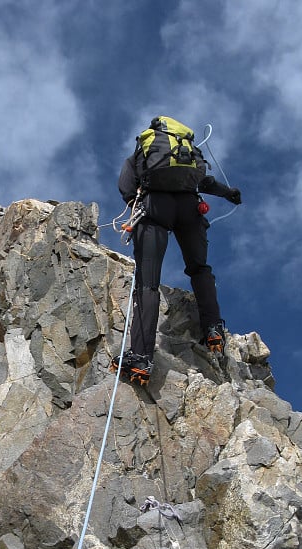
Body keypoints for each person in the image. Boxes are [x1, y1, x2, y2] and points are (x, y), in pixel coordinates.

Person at [115, 116, 242, 381]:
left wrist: (136, 202)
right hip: (190, 209)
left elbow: (125, 184)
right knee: (199, 268)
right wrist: (229, 193)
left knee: (148, 283)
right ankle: (212, 329)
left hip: (154, 207)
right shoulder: (186, 151)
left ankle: (141, 358)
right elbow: (204, 182)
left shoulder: (142, 151)